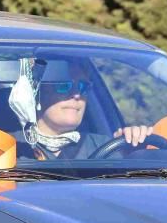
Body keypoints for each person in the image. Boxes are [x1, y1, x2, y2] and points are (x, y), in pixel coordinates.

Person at [12, 59, 153, 160]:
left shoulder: (106, 146)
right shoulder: (7, 146)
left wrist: (135, 151)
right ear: (37, 92)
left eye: (82, 86)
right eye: (63, 85)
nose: (76, 95)